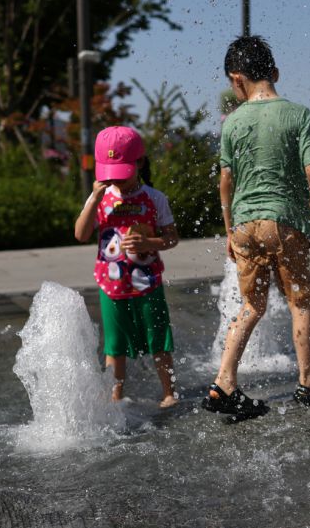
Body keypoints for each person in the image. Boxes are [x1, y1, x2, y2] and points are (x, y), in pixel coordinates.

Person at [202, 35, 310, 419]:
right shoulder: (298, 114)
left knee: (251, 305)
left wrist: (230, 230)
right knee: (299, 301)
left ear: (236, 79)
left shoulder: (232, 123)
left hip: (245, 224)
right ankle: (307, 381)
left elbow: (225, 181)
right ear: (274, 73)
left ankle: (224, 382)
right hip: (284, 222)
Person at [74, 126, 179, 409]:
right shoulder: (101, 198)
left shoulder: (155, 198)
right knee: (114, 347)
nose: (115, 179)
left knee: (159, 341)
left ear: (140, 162)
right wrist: (93, 200)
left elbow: (172, 238)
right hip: (112, 285)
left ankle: (169, 392)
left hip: (147, 282)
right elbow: (81, 234)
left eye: (122, 170)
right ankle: (115, 396)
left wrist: (149, 242)